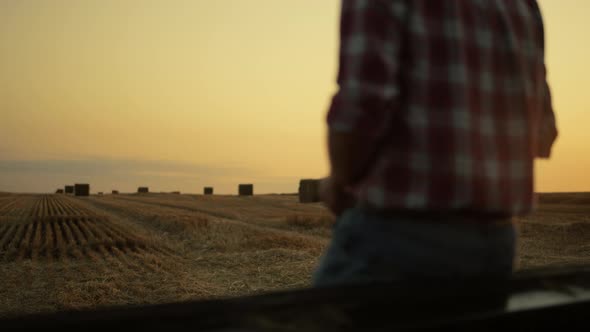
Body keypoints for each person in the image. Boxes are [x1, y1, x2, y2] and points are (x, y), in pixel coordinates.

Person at [313, 0, 558, 287]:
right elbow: (543, 135)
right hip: (495, 245)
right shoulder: (522, 5)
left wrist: (339, 180)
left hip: (397, 242)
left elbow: (361, 108)